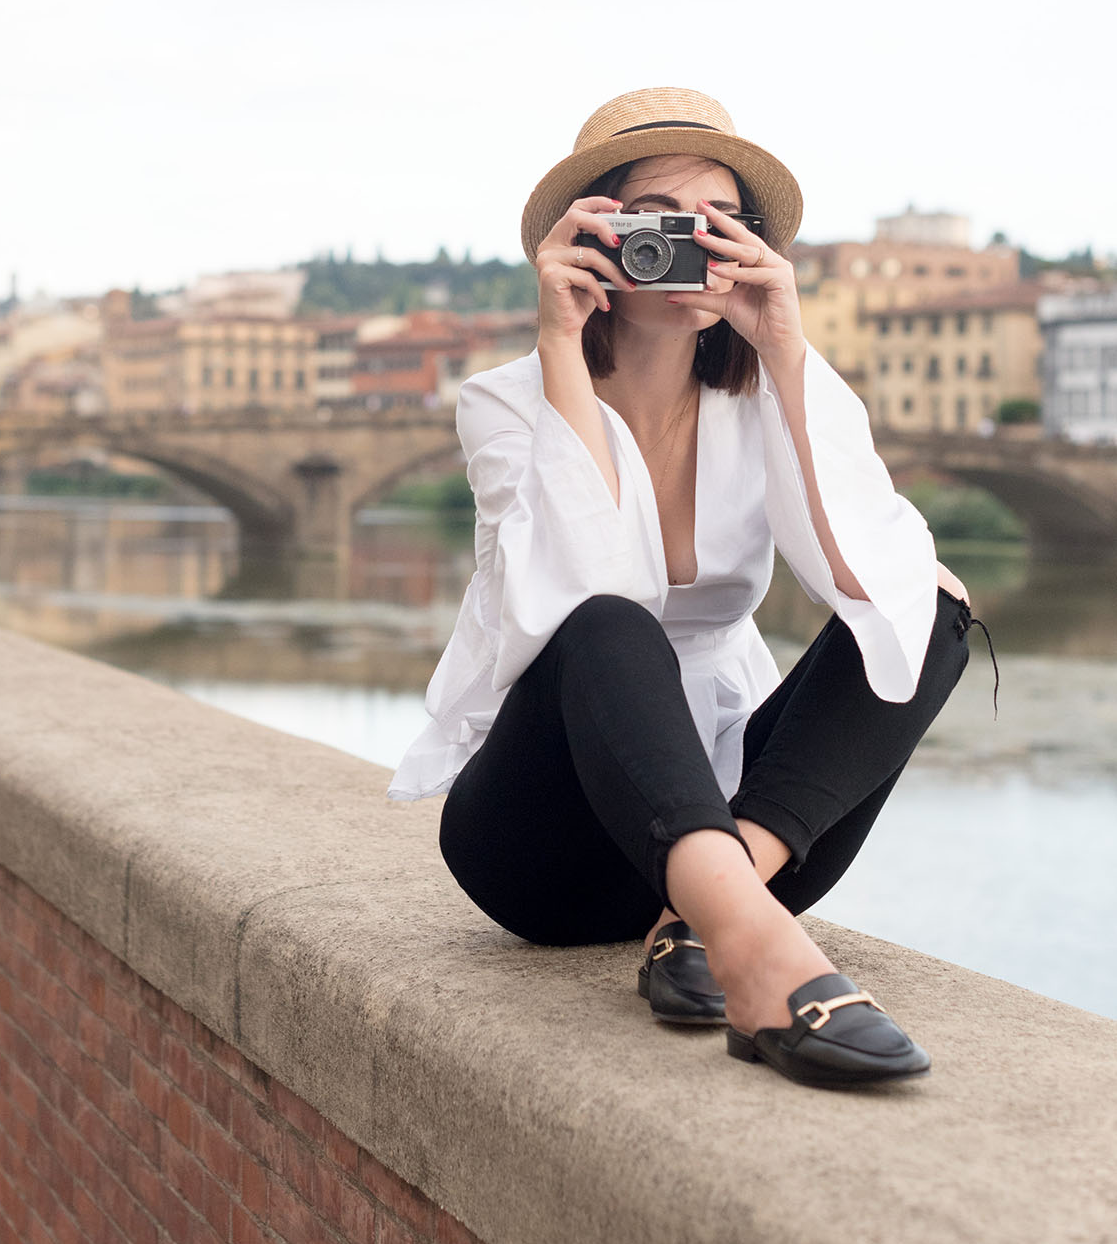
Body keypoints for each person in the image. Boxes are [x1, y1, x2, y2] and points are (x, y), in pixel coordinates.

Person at [389, 87, 976, 1090]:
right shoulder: (505, 401)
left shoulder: (759, 387)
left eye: (724, 222)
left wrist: (784, 348)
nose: (697, 245)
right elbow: (582, 596)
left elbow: (866, 579)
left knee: (934, 600)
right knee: (610, 624)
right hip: (546, 846)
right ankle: (761, 949)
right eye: (665, 219)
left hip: (747, 827)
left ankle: (706, 922)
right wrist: (563, 347)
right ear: (596, 238)